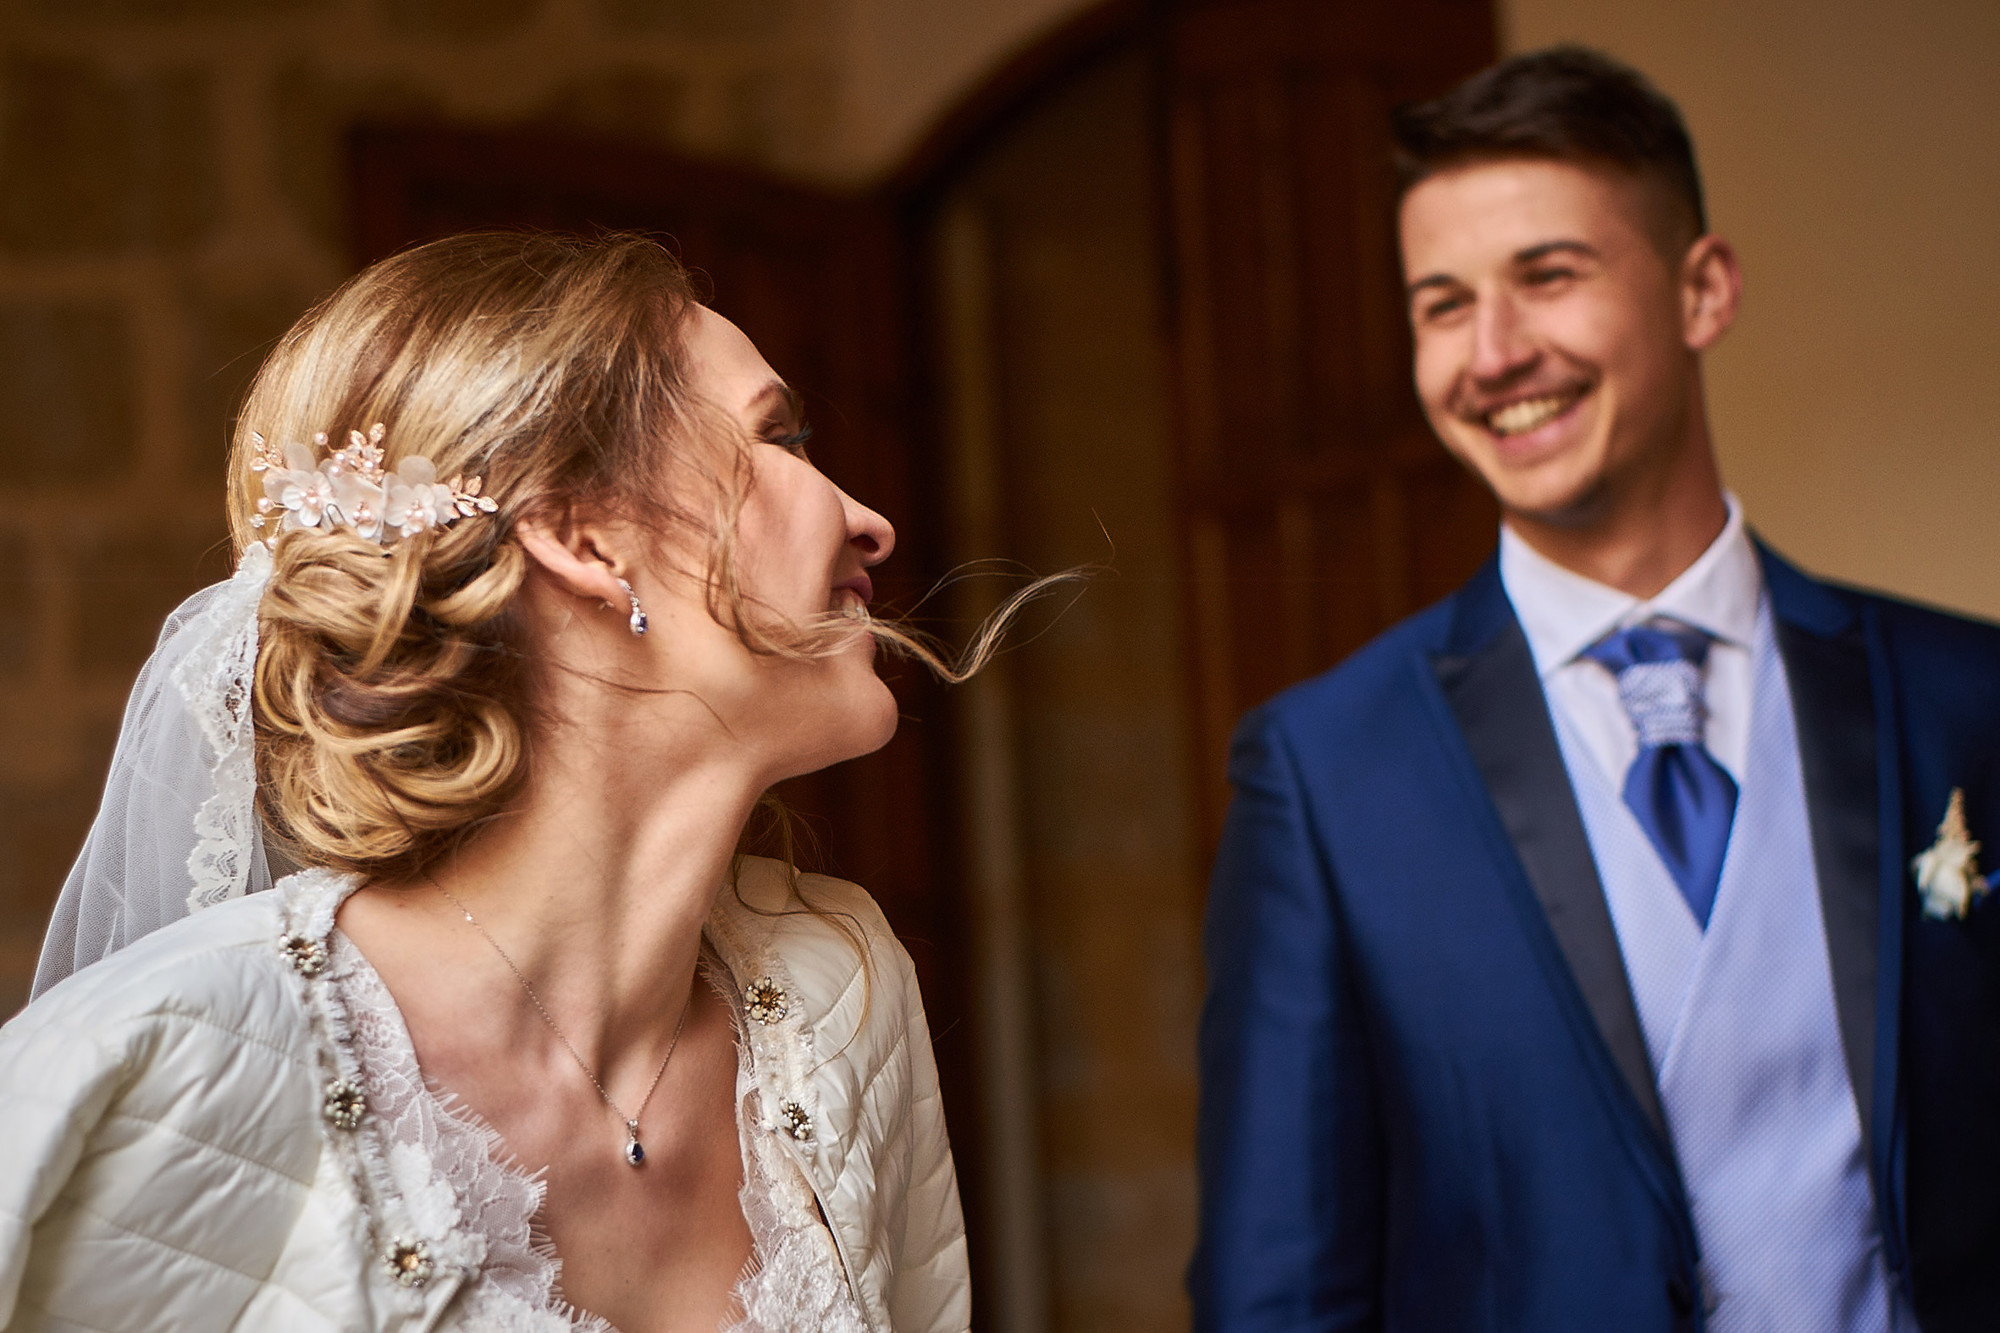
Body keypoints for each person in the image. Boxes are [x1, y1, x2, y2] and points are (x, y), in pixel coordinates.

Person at [0, 231, 992, 1333]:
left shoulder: (839, 995)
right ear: (583, 534)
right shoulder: (155, 1072)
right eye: (777, 436)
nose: (869, 519)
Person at [1190, 46, 2000, 1333]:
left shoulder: (1968, 698)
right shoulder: (1324, 772)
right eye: (1440, 305)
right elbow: (1279, 1290)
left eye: (1547, 277)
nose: (1494, 352)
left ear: (1701, 290)